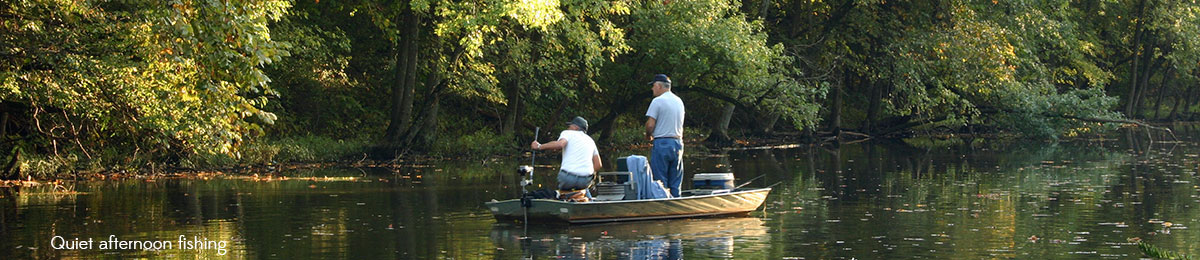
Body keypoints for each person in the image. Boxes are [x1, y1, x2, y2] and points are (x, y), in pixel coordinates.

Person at [531, 116, 602, 191]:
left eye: (570, 126)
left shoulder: (568, 133)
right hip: (585, 179)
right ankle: (588, 199)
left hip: (568, 178)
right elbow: (598, 164)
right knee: (583, 191)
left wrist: (539, 146)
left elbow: (560, 144)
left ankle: (562, 198)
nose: (568, 128)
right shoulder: (590, 140)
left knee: (562, 194)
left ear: (576, 127)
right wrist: (586, 173)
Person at [644, 74, 685, 197]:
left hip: (662, 143)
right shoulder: (679, 101)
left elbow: (650, 125)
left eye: (653, 86)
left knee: (660, 181)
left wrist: (648, 135)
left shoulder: (657, 101)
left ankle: (663, 206)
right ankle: (677, 205)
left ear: (659, 86)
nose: (652, 89)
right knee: (675, 180)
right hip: (678, 143)